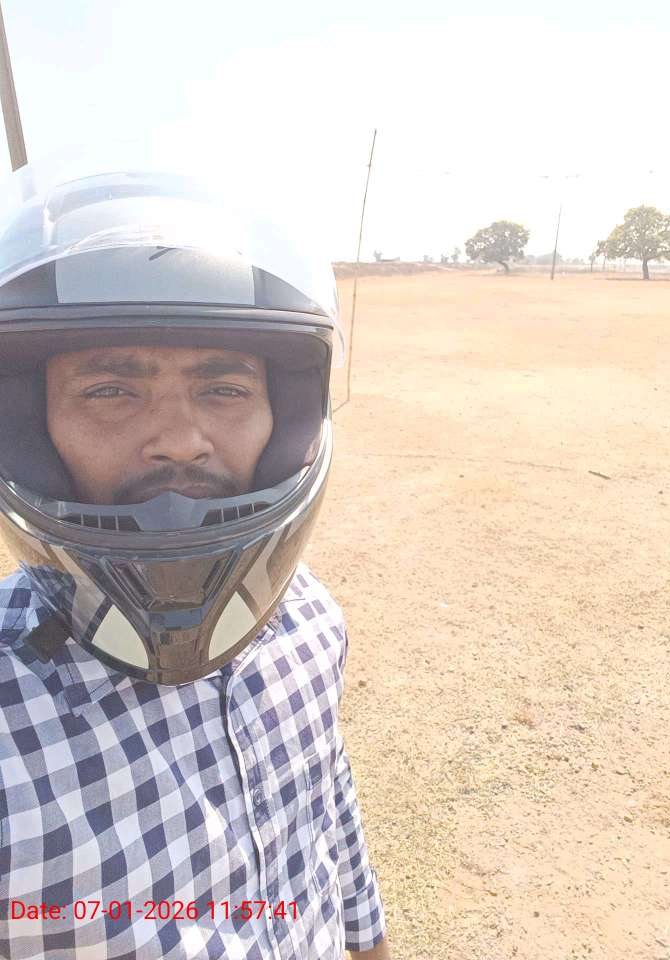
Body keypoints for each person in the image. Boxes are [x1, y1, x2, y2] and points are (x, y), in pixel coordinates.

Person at [0, 165, 391, 960]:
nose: (180, 440)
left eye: (224, 390)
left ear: (287, 417)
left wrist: (368, 939)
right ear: (29, 429)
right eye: (110, 391)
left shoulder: (309, 623)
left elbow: (325, 806)